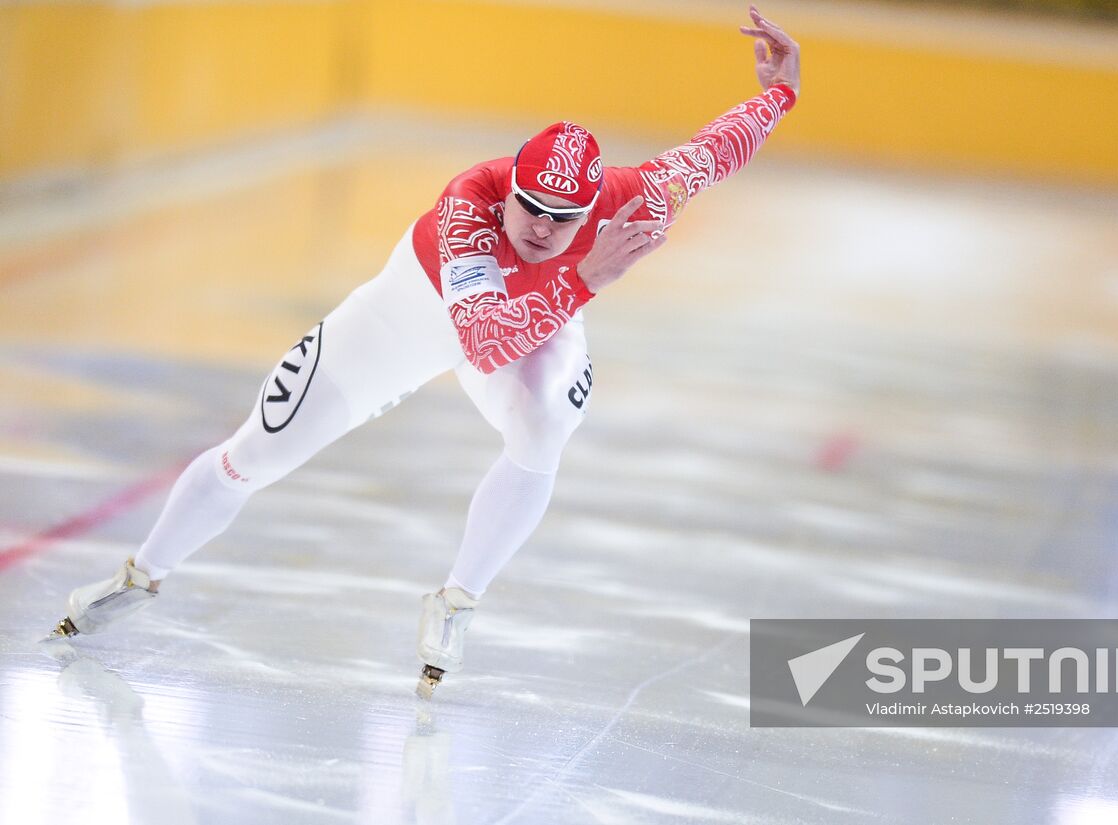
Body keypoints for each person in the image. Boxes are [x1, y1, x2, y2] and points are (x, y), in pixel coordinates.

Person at [50, 5, 801, 698]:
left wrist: (778, 95)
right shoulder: (470, 205)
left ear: (594, 202)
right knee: (259, 449)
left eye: (562, 217)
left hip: (537, 324)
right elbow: (479, 338)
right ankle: (139, 573)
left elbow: (710, 154)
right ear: (510, 182)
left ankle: (458, 598)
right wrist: (587, 274)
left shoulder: (630, 196)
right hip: (408, 319)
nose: (539, 227)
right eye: (530, 206)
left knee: (541, 424)